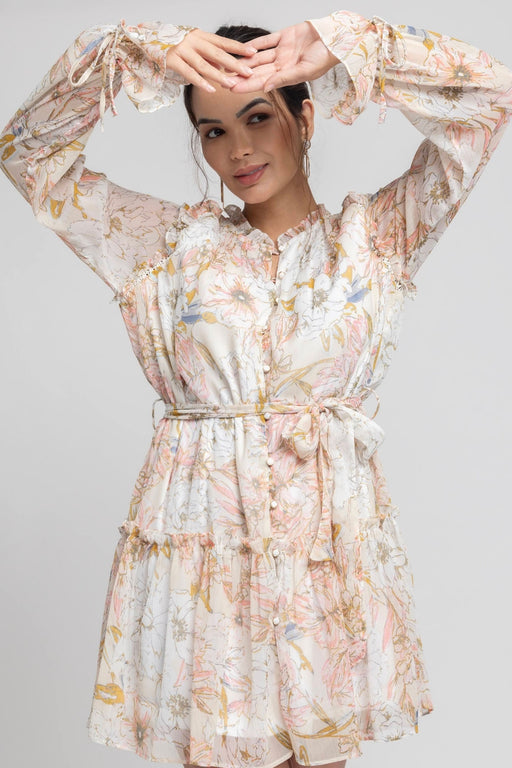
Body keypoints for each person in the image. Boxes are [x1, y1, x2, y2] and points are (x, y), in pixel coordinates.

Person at [1, 8, 511, 768]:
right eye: (213, 130)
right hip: (204, 555)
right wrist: (139, 49)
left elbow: (489, 100)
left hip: (323, 558)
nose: (238, 149)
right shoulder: (161, 247)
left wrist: (341, 41)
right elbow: (26, 152)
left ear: (305, 117)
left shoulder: (378, 237)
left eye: (258, 117)